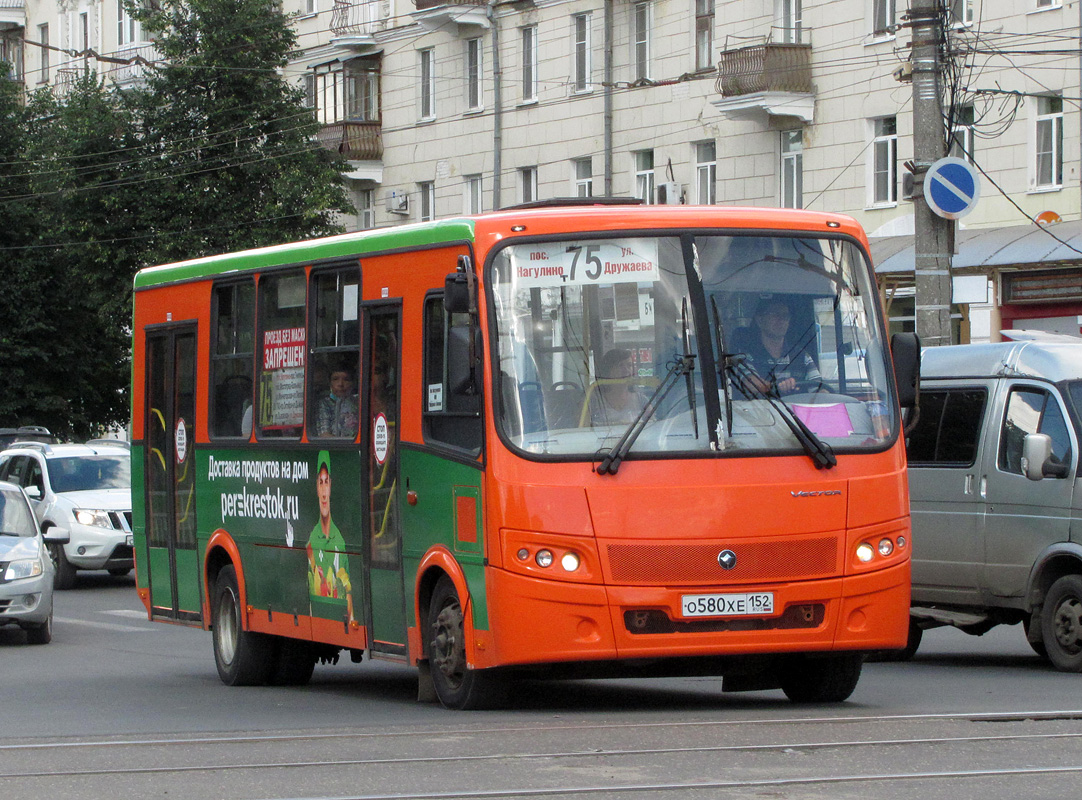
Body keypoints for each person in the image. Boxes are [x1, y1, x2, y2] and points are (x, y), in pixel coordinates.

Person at [306, 451, 354, 624]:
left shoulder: (340, 543)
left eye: (327, 482)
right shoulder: (310, 542)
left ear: (331, 486)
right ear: (317, 488)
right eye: (321, 482)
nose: (324, 492)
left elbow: (349, 600)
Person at [737, 298, 821, 396]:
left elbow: (819, 389)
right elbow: (751, 383)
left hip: (795, 411)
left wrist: (824, 393)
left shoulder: (802, 356)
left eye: (785, 316)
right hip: (760, 410)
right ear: (760, 320)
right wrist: (779, 385)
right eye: (774, 315)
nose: (781, 320)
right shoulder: (747, 357)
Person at [588, 348, 646, 426]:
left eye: (629, 365)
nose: (626, 370)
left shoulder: (641, 400)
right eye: (620, 365)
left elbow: (653, 427)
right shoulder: (592, 401)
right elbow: (581, 430)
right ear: (608, 370)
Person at [316, 364, 359, 437]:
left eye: (346, 380)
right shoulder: (324, 403)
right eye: (336, 379)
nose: (340, 384)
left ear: (353, 383)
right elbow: (324, 434)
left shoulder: (357, 402)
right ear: (330, 383)